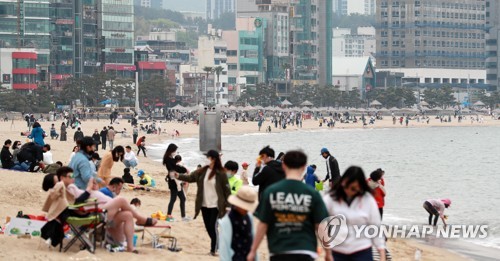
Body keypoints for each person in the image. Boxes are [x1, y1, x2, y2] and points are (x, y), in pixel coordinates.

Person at [42, 167, 157, 253]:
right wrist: (88, 189)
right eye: (70, 176)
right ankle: (141, 219)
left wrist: (93, 189)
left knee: (127, 214)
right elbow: (77, 203)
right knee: (121, 200)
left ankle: (130, 248)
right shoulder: (64, 190)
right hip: (95, 211)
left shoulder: (70, 188)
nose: (73, 178)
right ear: (61, 179)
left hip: (100, 209)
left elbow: (85, 196)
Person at [248, 151, 330, 261]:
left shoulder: (271, 192)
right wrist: (328, 252)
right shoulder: (312, 194)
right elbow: (320, 225)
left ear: (284, 165)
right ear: (304, 166)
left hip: (279, 250)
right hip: (305, 250)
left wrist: (253, 250)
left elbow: (263, 224)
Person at [322, 166, 386, 261]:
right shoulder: (330, 198)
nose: (349, 191)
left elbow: (375, 226)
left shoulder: (367, 199)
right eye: (346, 186)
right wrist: (327, 251)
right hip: (337, 250)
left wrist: (382, 253)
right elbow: (321, 223)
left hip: (362, 250)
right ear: (342, 182)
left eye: (354, 188)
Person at [176, 150, 231, 256]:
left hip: (216, 205)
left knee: (213, 226)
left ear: (213, 159)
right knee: (208, 227)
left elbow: (227, 190)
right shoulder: (202, 171)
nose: (206, 159)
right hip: (204, 204)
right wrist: (178, 176)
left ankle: (213, 250)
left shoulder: (221, 173)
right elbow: (190, 177)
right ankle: (217, 245)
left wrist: (229, 206)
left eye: (208, 157)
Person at [219, 186, 259, 261]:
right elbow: (224, 248)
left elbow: (252, 239)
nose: (247, 209)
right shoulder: (227, 221)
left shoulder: (249, 217)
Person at [163, 144, 189, 222]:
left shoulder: (171, 158)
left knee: (182, 198)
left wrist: (184, 169)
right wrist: (184, 170)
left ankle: (183, 216)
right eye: (174, 151)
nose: (175, 152)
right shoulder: (168, 159)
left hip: (176, 180)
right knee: (173, 199)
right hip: (173, 181)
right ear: (171, 150)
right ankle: (169, 215)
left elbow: (177, 167)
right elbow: (173, 169)